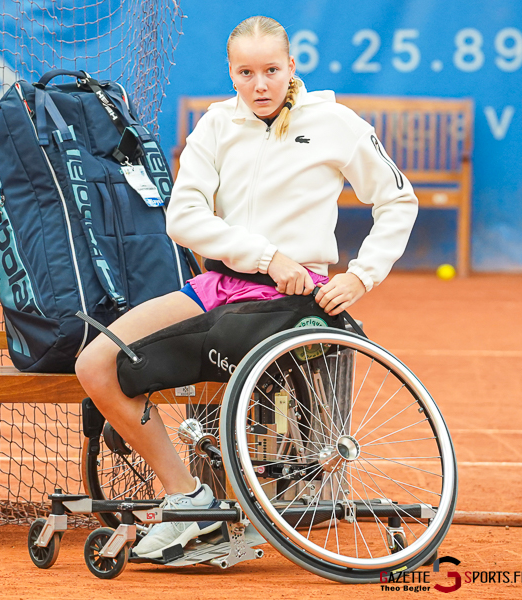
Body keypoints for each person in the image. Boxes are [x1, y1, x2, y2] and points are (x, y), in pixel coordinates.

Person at [75, 15, 418, 559]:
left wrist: (360, 275)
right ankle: (188, 500)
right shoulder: (215, 124)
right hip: (218, 285)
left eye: (272, 70)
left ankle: (230, 500)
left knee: (191, 371)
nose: (260, 85)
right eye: (246, 72)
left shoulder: (334, 122)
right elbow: (182, 217)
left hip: (293, 301)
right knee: (94, 364)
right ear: (232, 74)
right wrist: (264, 254)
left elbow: (398, 200)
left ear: (292, 68)